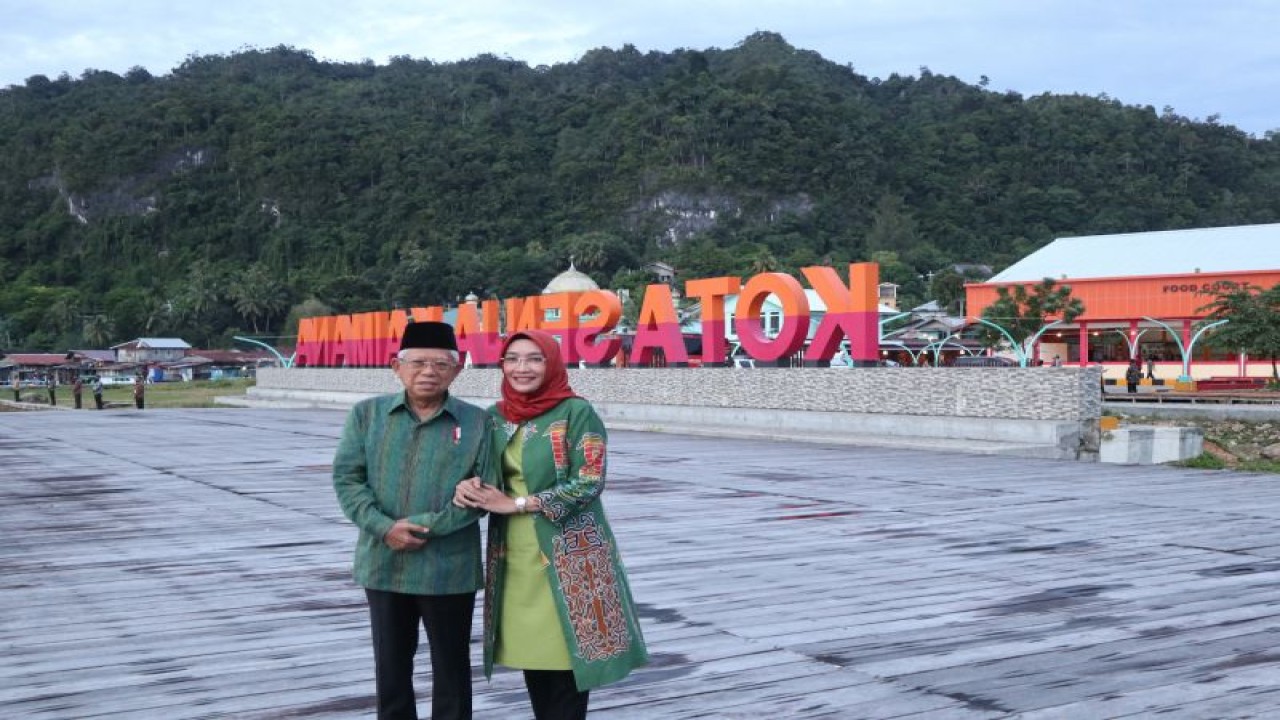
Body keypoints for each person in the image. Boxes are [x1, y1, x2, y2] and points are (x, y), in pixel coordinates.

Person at [455, 329, 648, 720]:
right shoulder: (495, 417)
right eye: (512, 359)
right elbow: (483, 473)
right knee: (535, 659)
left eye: (534, 358)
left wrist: (519, 503)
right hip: (514, 558)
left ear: (552, 363)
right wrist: (467, 486)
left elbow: (590, 481)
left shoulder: (576, 412)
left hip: (569, 553)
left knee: (567, 664)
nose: (521, 368)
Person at [332, 321, 498, 720]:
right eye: (418, 362)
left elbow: (483, 493)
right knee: (390, 668)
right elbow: (347, 477)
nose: (428, 371)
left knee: (452, 668)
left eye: (441, 364)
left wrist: (423, 526)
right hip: (383, 561)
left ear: (457, 371)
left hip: (448, 569)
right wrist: (383, 527)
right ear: (396, 366)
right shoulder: (367, 415)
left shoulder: (479, 422)